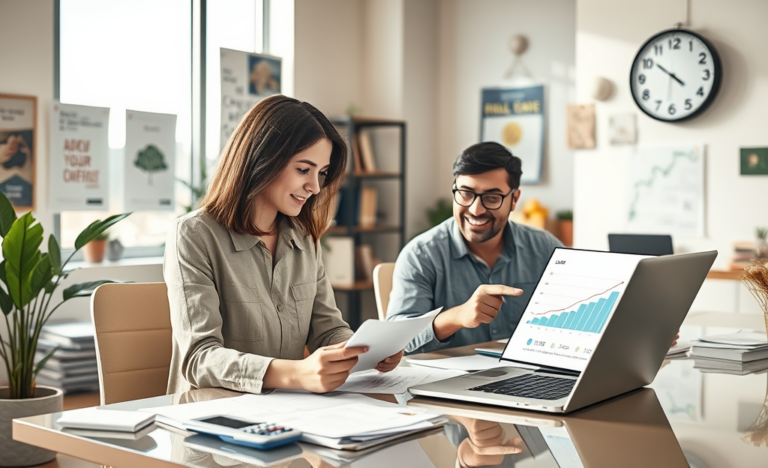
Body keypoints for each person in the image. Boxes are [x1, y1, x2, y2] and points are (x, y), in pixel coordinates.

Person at [165, 95, 403, 395]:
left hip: (288, 411)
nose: (315, 187)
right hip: (211, 416)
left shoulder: (304, 238)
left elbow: (327, 329)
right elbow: (199, 358)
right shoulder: (194, 235)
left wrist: (363, 350)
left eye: (322, 174)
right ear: (262, 160)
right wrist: (296, 373)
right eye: (303, 170)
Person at [387, 141, 559, 353]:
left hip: (527, 377)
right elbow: (395, 341)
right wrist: (457, 317)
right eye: (466, 193)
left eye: (492, 198)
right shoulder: (421, 255)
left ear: (514, 200)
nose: (476, 210)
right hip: (444, 382)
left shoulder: (546, 249)